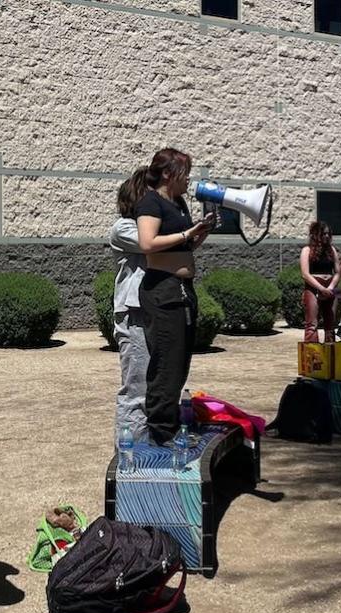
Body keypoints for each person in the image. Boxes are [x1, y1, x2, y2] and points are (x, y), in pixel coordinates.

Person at [135, 148, 216, 445]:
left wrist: (200, 233)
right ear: (168, 174)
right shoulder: (150, 202)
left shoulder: (179, 203)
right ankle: (160, 431)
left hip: (182, 291)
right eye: (185, 173)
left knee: (180, 363)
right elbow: (147, 242)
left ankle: (167, 427)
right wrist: (186, 234)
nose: (189, 180)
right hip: (162, 290)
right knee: (166, 364)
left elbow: (183, 249)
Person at [110, 168, 151, 441]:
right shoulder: (123, 228)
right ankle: (131, 460)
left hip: (157, 311)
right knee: (136, 390)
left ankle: (154, 449)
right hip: (133, 315)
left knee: (157, 389)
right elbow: (152, 244)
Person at [300, 220, 341, 342]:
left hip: (330, 289)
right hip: (313, 288)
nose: (327, 236)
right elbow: (305, 274)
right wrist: (321, 288)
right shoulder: (307, 250)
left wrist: (331, 287)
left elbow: (338, 272)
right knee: (312, 324)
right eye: (323, 234)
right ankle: (312, 357)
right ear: (316, 235)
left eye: (328, 234)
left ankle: (330, 355)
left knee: (330, 324)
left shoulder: (331, 250)